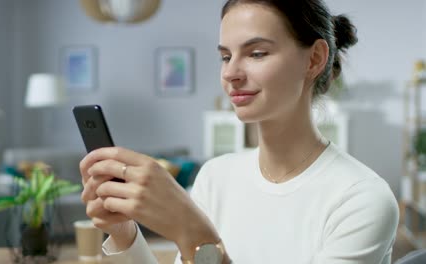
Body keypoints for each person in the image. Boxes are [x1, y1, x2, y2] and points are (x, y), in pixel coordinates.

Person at [79, 0, 399, 263]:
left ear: (314, 59)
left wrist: (194, 231)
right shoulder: (215, 177)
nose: (230, 73)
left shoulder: (362, 199)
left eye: (257, 53)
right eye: (225, 56)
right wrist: (124, 233)